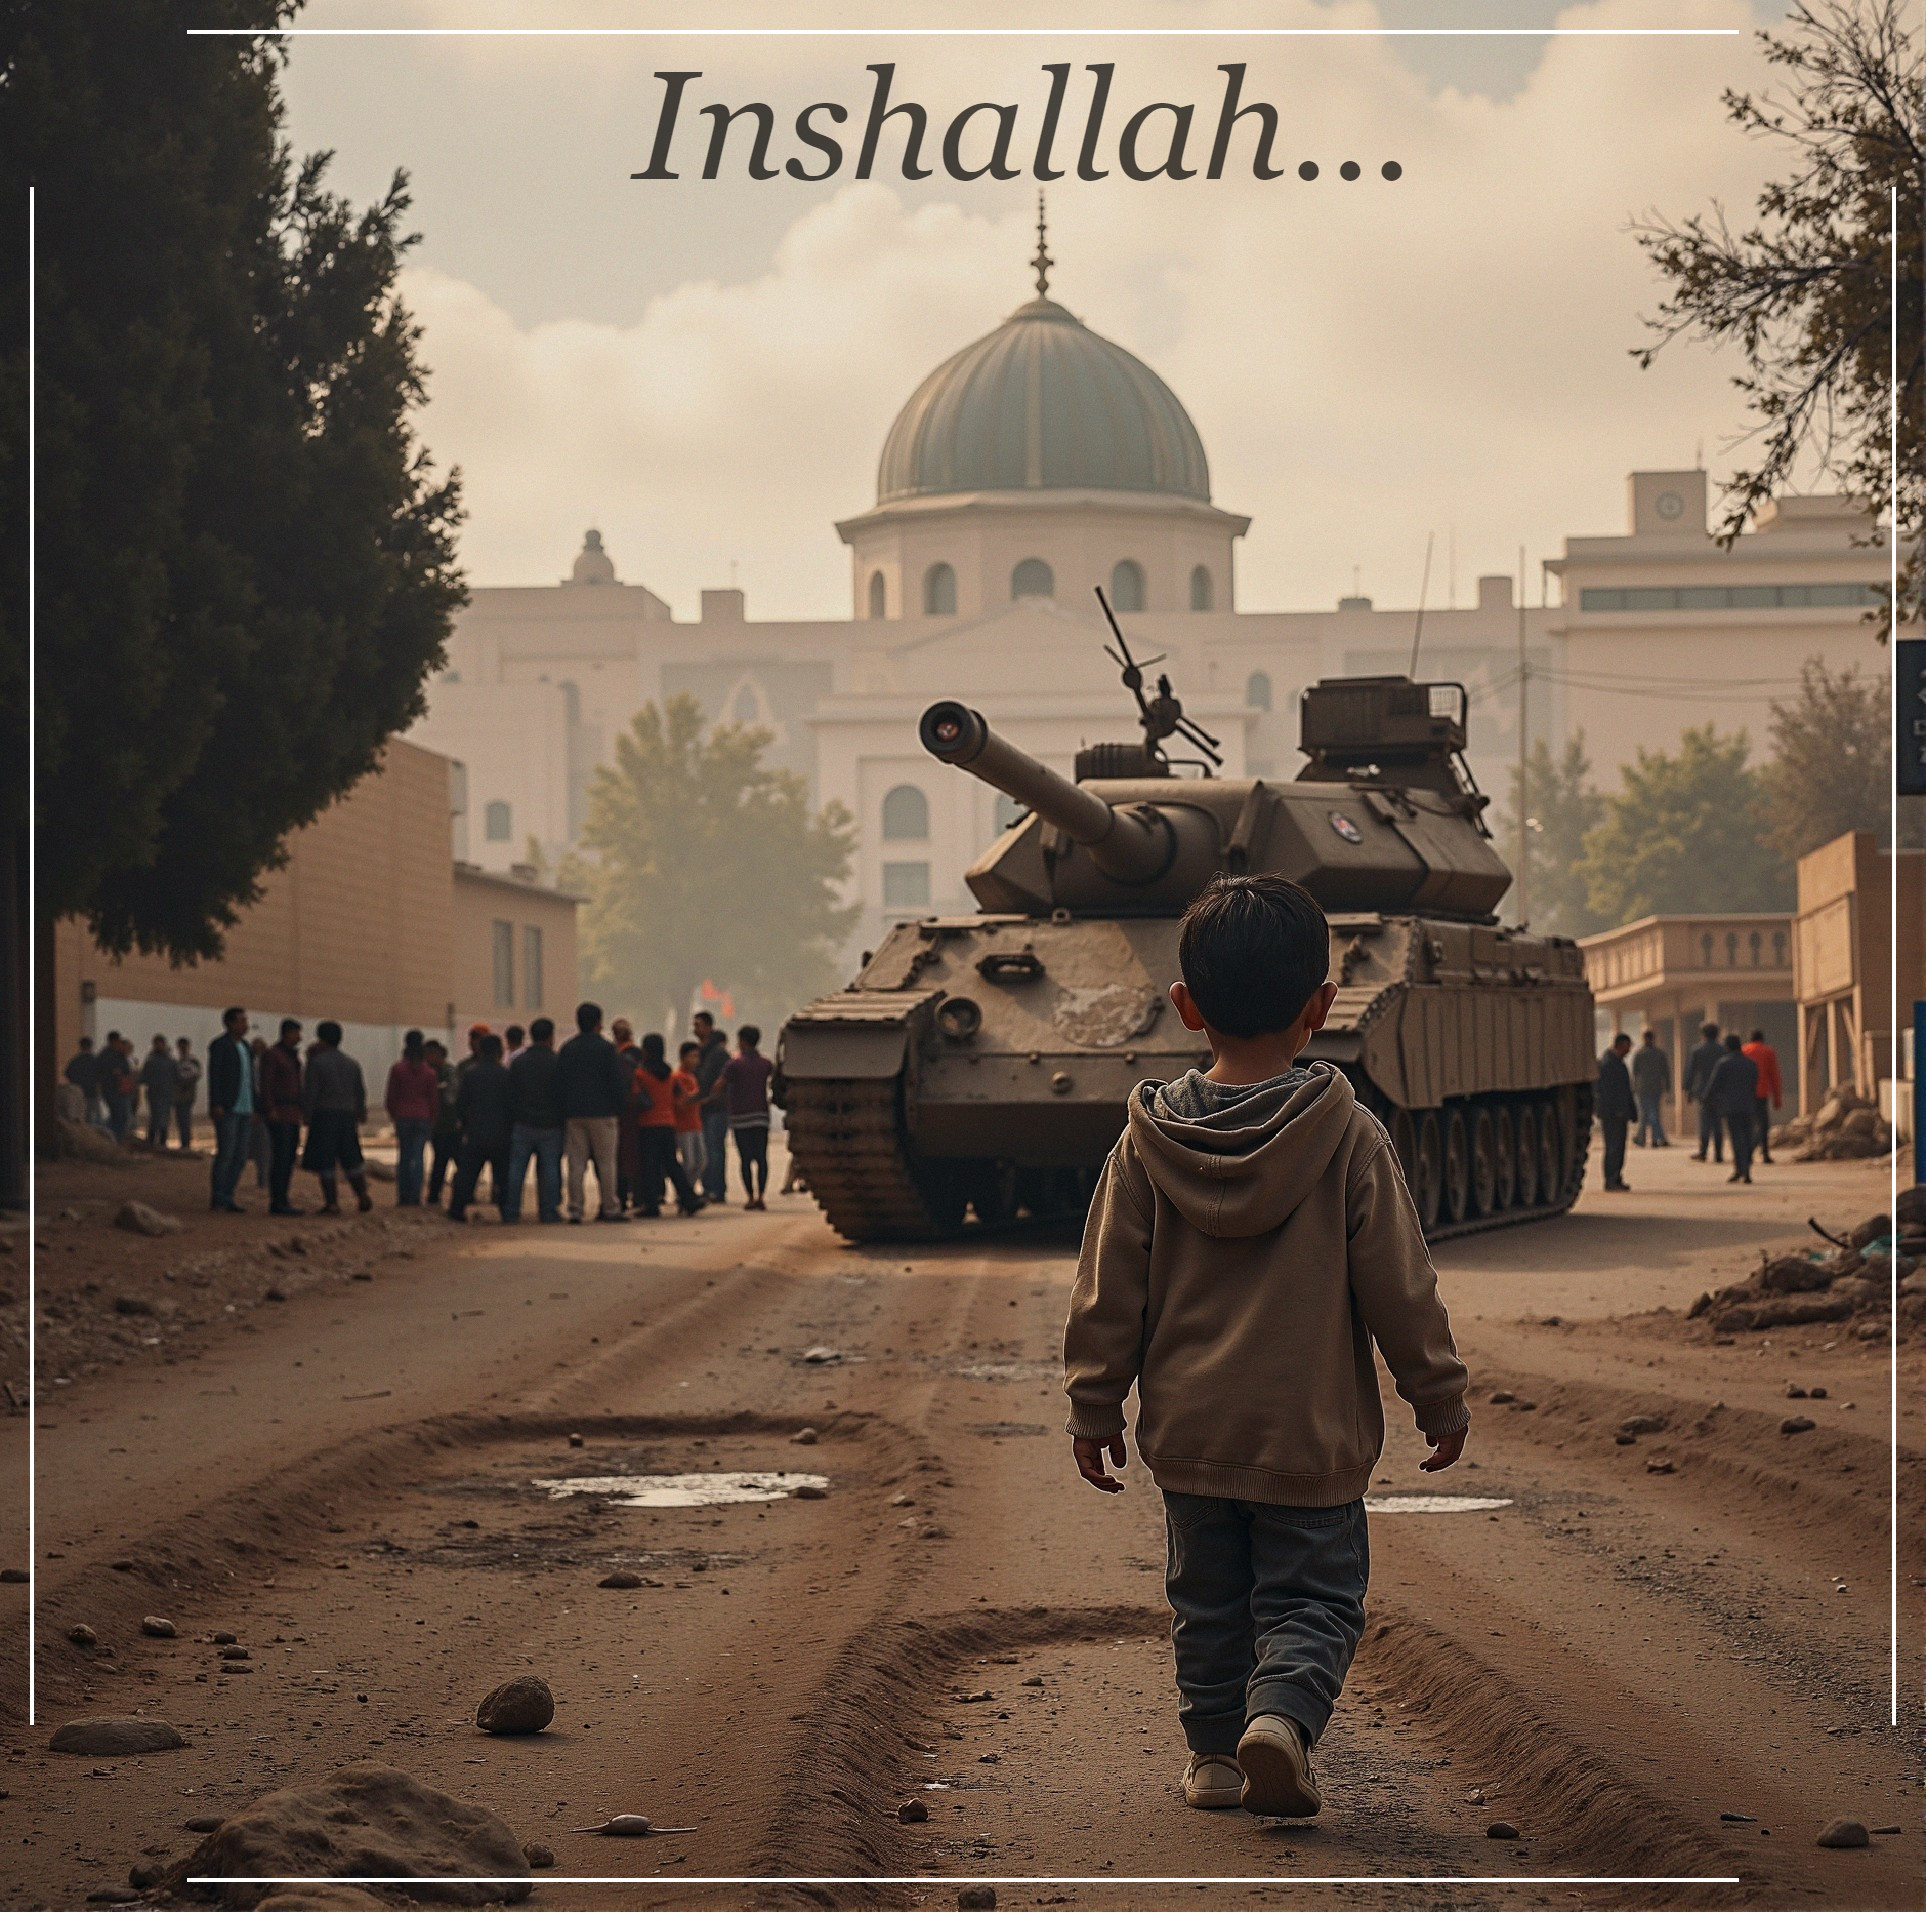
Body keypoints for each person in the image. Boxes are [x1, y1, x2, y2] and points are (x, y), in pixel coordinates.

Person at [1063, 873, 1469, 1819]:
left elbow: (1108, 1286)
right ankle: (1281, 1721)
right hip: (1309, 1434)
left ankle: (1211, 1760)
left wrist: (1093, 1404)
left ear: (1186, 1006)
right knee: (1313, 1602)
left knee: (1206, 1605)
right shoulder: (1349, 1136)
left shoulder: (1145, 1142)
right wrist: (1436, 1394)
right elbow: (1401, 1288)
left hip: (1192, 1431)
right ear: (1321, 1007)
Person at [557, 1001, 630, 1223]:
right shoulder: (607, 1049)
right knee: (606, 1162)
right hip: (603, 1113)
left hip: (575, 1114)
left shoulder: (567, 1048)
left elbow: (560, 1082)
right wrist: (620, 1107)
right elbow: (616, 1082)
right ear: (599, 1023)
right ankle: (610, 1207)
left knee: (576, 1163)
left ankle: (575, 1209)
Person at [301, 1021, 374, 1214]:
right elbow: (360, 1091)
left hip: (324, 1115)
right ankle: (362, 1194)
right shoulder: (352, 1063)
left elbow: (311, 1091)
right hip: (348, 1115)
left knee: (326, 1160)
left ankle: (332, 1203)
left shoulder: (316, 1063)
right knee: (351, 1157)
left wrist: (307, 1114)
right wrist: (360, 1111)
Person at [632, 1033, 703, 1218]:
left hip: (648, 1124)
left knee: (650, 1165)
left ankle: (651, 1205)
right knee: (672, 1163)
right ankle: (689, 1198)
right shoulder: (670, 1076)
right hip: (668, 1123)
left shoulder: (640, 1074)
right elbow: (680, 1100)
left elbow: (636, 1097)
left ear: (645, 1051)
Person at [504, 1017, 565, 1224]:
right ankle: (548, 1211)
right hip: (550, 1124)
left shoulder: (519, 1062)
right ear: (550, 1037)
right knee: (549, 1169)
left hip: (523, 1123)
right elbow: (562, 1095)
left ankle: (511, 1211)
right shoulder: (557, 1062)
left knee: (517, 1169)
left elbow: (510, 1094)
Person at [449, 1033, 513, 1222]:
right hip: (501, 1134)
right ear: (499, 1052)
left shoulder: (470, 1074)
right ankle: (506, 1211)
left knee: (467, 1175)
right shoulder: (506, 1075)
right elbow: (512, 1105)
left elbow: (460, 1104)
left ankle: (457, 1209)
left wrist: (466, 1124)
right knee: (503, 1176)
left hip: (476, 1133)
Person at [721, 1025, 776, 1210]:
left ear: (742, 1041)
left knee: (745, 1160)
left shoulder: (734, 1064)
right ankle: (761, 1196)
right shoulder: (766, 1064)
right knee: (761, 1158)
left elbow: (719, 1085)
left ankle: (750, 1197)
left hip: (740, 1117)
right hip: (760, 1115)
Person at [384, 1031, 440, 1207]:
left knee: (404, 1157)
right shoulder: (429, 1073)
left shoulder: (398, 1069)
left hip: (403, 1116)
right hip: (423, 1117)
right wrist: (433, 1118)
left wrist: (394, 1114)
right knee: (419, 1157)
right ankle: (416, 1196)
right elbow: (433, 1100)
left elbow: (391, 1096)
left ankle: (403, 1196)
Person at [206, 1008, 254, 1211]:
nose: (245, 1025)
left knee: (241, 1155)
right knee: (226, 1153)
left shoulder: (245, 1046)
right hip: (228, 1107)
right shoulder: (220, 1046)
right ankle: (219, 1196)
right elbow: (215, 1075)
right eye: (241, 1021)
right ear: (230, 1024)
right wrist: (216, 1103)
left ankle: (229, 1194)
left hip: (245, 1107)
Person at [260, 1018, 305, 1215]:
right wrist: (270, 1108)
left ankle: (283, 1198)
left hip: (292, 1114)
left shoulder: (292, 1057)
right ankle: (277, 1201)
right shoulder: (273, 1056)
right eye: (296, 1033)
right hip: (280, 1112)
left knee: (288, 1158)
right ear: (287, 1033)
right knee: (281, 1157)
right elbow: (266, 1084)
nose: (299, 1037)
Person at [1705, 1033, 1760, 1185]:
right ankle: (1746, 1170)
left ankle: (1739, 1169)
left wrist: (1707, 1099)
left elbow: (1713, 1085)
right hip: (1748, 1105)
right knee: (1747, 1137)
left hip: (1731, 1107)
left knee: (1736, 1139)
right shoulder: (1751, 1064)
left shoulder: (1723, 1063)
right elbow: (1754, 1082)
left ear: (1727, 1047)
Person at [692, 1010, 732, 1204]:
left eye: (698, 1025)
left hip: (716, 1108)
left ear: (709, 1027)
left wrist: (711, 1098)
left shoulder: (718, 1053)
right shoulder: (701, 1051)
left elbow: (724, 1081)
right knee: (706, 1150)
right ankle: (708, 1187)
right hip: (702, 1108)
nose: (695, 1029)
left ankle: (717, 1189)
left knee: (714, 1149)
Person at [610, 1017, 643, 1212]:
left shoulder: (616, 1055)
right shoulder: (638, 1054)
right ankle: (638, 1195)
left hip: (620, 1111)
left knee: (620, 1156)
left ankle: (621, 1196)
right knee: (635, 1154)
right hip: (636, 1111)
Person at [1595, 1033, 1635, 1192]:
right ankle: (1610, 1179)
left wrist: (1631, 1110)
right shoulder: (1608, 1064)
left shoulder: (1618, 1063)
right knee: (1613, 1147)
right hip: (1612, 1114)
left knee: (1619, 1147)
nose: (1629, 1050)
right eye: (1627, 1046)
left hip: (1621, 1112)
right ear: (1620, 1045)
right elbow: (1606, 1092)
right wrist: (1614, 1110)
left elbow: (1626, 1090)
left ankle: (1617, 1177)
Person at [425, 1038, 461, 1206]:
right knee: (440, 1161)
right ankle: (434, 1195)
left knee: (456, 1161)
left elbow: (451, 1098)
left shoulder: (449, 1072)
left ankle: (460, 1194)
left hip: (450, 1124)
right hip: (439, 1125)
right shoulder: (431, 1072)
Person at [1684, 1022, 1725, 1163]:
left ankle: (1703, 1151)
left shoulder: (1697, 1050)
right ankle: (1718, 1153)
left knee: (1704, 1123)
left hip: (1702, 1091)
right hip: (1720, 1091)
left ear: (1703, 1034)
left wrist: (1688, 1090)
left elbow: (1691, 1072)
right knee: (1718, 1123)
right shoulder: (1722, 1050)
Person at [1743, 1028, 1783, 1166]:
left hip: (1747, 1094)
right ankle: (1764, 1153)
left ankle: (1748, 1152)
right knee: (1763, 1125)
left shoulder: (1744, 1050)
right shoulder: (1768, 1051)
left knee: (1749, 1125)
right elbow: (1774, 1076)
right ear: (1762, 1039)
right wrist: (1777, 1098)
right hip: (1762, 1094)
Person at [672, 1041, 706, 1193]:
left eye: (697, 1057)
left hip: (696, 1124)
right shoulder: (677, 1077)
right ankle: (685, 1193)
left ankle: (687, 1190)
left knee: (701, 1161)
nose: (696, 1061)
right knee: (689, 1162)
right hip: (683, 1126)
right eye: (692, 1056)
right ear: (682, 1058)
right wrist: (697, 1096)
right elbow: (680, 1103)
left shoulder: (692, 1077)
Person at [1630, 1029, 1670, 1149]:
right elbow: (1665, 1071)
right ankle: (1655, 1138)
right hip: (1656, 1087)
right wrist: (1667, 1086)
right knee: (1654, 1113)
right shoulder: (1660, 1053)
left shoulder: (1639, 1054)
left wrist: (1634, 1087)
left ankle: (1645, 1138)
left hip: (1642, 1088)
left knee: (1645, 1114)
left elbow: (1635, 1072)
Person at [136, 1035, 177, 1148]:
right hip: (163, 1093)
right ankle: (161, 1141)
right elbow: (177, 1078)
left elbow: (143, 1078)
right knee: (161, 1117)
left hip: (156, 1093)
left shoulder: (152, 1061)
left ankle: (153, 1141)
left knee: (156, 1117)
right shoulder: (170, 1061)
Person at [97, 1031, 134, 1142]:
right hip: (115, 1090)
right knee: (121, 1118)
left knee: (118, 1117)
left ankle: (114, 1138)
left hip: (114, 1090)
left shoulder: (106, 1055)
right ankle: (116, 1139)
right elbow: (118, 1071)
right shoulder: (111, 1056)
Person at [247, 1035, 274, 1189]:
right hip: (260, 1110)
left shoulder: (262, 1064)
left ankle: (265, 1177)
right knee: (263, 1147)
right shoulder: (255, 1064)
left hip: (264, 1109)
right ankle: (263, 1177)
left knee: (265, 1147)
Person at [172, 1037, 201, 1151]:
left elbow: (195, 1075)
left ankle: (186, 1143)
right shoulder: (177, 1061)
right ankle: (184, 1142)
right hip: (178, 1095)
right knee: (181, 1120)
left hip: (186, 1095)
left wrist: (181, 1082)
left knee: (185, 1120)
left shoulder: (192, 1061)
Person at [63, 1038, 100, 1126]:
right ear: (91, 1046)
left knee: (81, 1117)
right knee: (94, 1117)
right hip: (92, 1092)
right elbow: (100, 1075)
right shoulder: (95, 1060)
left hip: (77, 1092)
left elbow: (67, 1073)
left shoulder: (75, 1061)